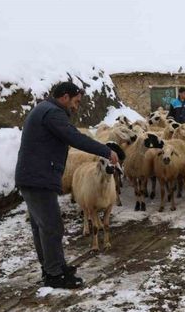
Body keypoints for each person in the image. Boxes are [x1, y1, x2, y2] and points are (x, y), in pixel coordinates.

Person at [15, 82, 120, 289]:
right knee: (51, 226)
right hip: (38, 178)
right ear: (64, 96)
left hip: (33, 176)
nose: (76, 106)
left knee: (42, 227)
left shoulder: (44, 109)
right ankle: (54, 275)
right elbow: (74, 137)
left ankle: (54, 267)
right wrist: (106, 151)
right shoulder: (53, 113)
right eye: (76, 101)